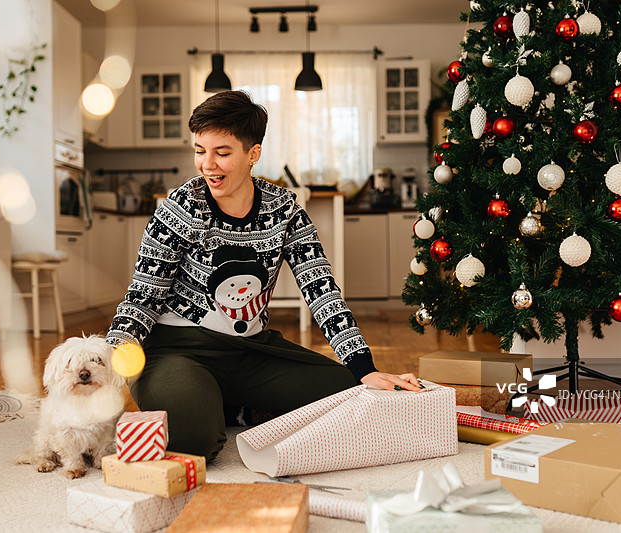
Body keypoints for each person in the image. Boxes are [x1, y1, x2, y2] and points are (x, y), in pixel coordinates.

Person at [106, 90, 420, 461]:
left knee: (350, 392)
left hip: (250, 351)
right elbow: (143, 296)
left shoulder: (285, 210)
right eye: (199, 150)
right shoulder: (180, 206)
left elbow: (321, 290)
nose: (207, 164)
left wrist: (363, 367)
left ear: (253, 153)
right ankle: (214, 406)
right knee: (195, 441)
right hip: (176, 350)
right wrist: (110, 361)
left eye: (222, 152)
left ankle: (233, 408)